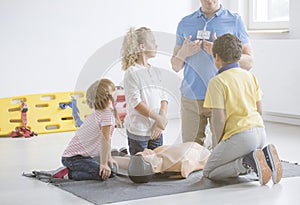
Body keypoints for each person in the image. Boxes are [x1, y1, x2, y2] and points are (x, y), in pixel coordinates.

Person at [171, 0, 253, 149]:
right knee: (190, 151)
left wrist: (221, 52)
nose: (209, 0)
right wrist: (183, 53)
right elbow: (175, 66)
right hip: (191, 98)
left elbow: (249, 62)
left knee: (221, 149)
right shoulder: (185, 22)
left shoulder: (235, 21)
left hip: (222, 97)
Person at [202, 33, 282, 185]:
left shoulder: (217, 82)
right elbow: (259, 110)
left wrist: (220, 142)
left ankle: (246, 162)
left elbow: (219, 118)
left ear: (216, 57)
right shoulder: (250, 76)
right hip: (260, 133)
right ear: (239, 56)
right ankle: (264, 157)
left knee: (209, 171)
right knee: (233, 156)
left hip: (240, 137)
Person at [121, 27, 169, 155]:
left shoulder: (156, 71)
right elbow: (136, 103)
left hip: (156, 128)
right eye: (152, 41)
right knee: (140, 167)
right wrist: (158, 118)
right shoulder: (132, 72)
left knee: (157, 162)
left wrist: (161, 119)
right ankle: (122, 156)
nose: (156, 45)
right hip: (139, 131)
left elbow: (164, 96)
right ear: (142, 47)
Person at [61, 78, 121, 181]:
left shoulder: (102, 113)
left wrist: (108, 158)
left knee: (111, 170)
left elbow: (107, 140)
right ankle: (69, 174)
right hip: (73, 158)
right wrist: (103, 164)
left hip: (84, 157)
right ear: (108, 98)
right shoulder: (105, 115)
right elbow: (105, 140)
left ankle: (75, 170)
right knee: (106, 174)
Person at [113, 141, 211, 183]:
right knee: (145, 161)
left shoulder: (202, 156)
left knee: (146, 161)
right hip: (178, 155)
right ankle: (114, 157)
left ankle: (117, 156)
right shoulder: (199, 153)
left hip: (178, 157)